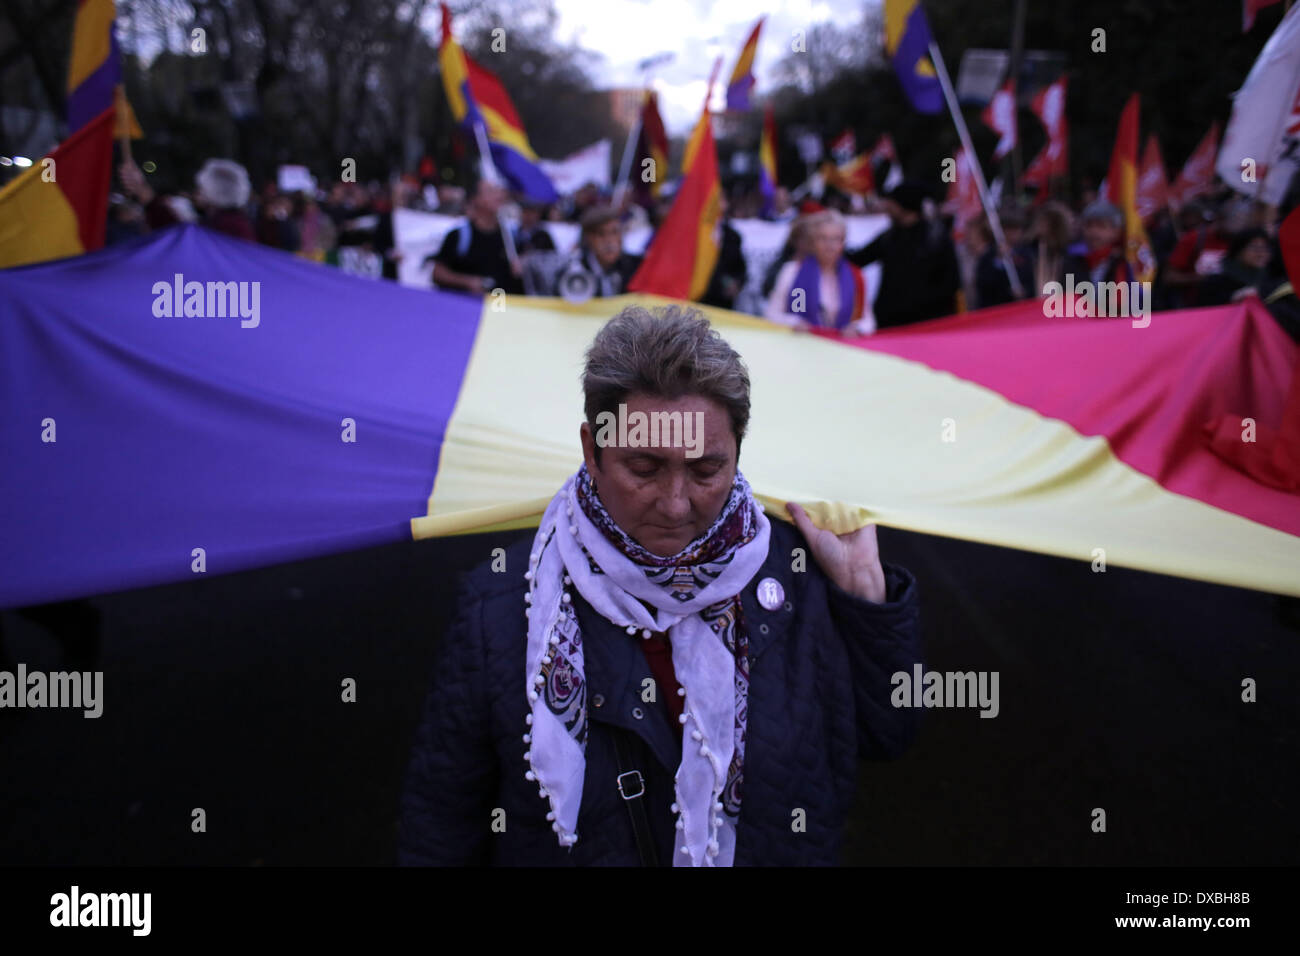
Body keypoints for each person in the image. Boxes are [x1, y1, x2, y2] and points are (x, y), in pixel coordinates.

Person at [397, 305, 923, 866]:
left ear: (738, 454)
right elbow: (442, 824)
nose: (675, 506)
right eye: (644, 468)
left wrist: (866, 596)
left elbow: (887, 732)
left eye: (705, 471)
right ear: (590, 450)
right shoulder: (501, 607)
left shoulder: (798, 575)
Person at [847, 181, 959, 328]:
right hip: (891, 321)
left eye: (892, 202)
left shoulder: (936, 239)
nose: (887, 206)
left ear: (905, 206)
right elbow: (859, 258)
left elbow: (951, 282)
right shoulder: (889, 237)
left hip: (928, 322)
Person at [764, 210, 871, 335]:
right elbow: (771, 314)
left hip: (843, 348)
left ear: (843, 242)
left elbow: (868, 321)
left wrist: (856, 328)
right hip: (801, 347)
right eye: (823, 238)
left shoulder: (856, 275)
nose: (829, 245)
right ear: (813, 242)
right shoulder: (793, 271)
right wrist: (794, 322)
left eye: (836, 239)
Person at [429, 179, 523, 296]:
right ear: (476, 199)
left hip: (498, 309)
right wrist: (468, 282)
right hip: (466, 308)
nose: (498, 195)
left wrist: (521, 269)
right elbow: (438, 274)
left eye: (498, 191)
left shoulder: (511, 238)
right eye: (490, 191)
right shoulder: (459, 236)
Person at [549, 205, 641, 301]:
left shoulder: (635, 267)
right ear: (588, 238)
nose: (609, 241)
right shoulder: (572, 272)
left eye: (615, 232)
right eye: (601, 234)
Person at [1200, 228, 1285, 306]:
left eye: (1266, 248)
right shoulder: (1217, 278)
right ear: (1238, 251)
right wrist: (1233, 297)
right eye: (1254, 248)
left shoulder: (1272, 279)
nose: (1261, 254)